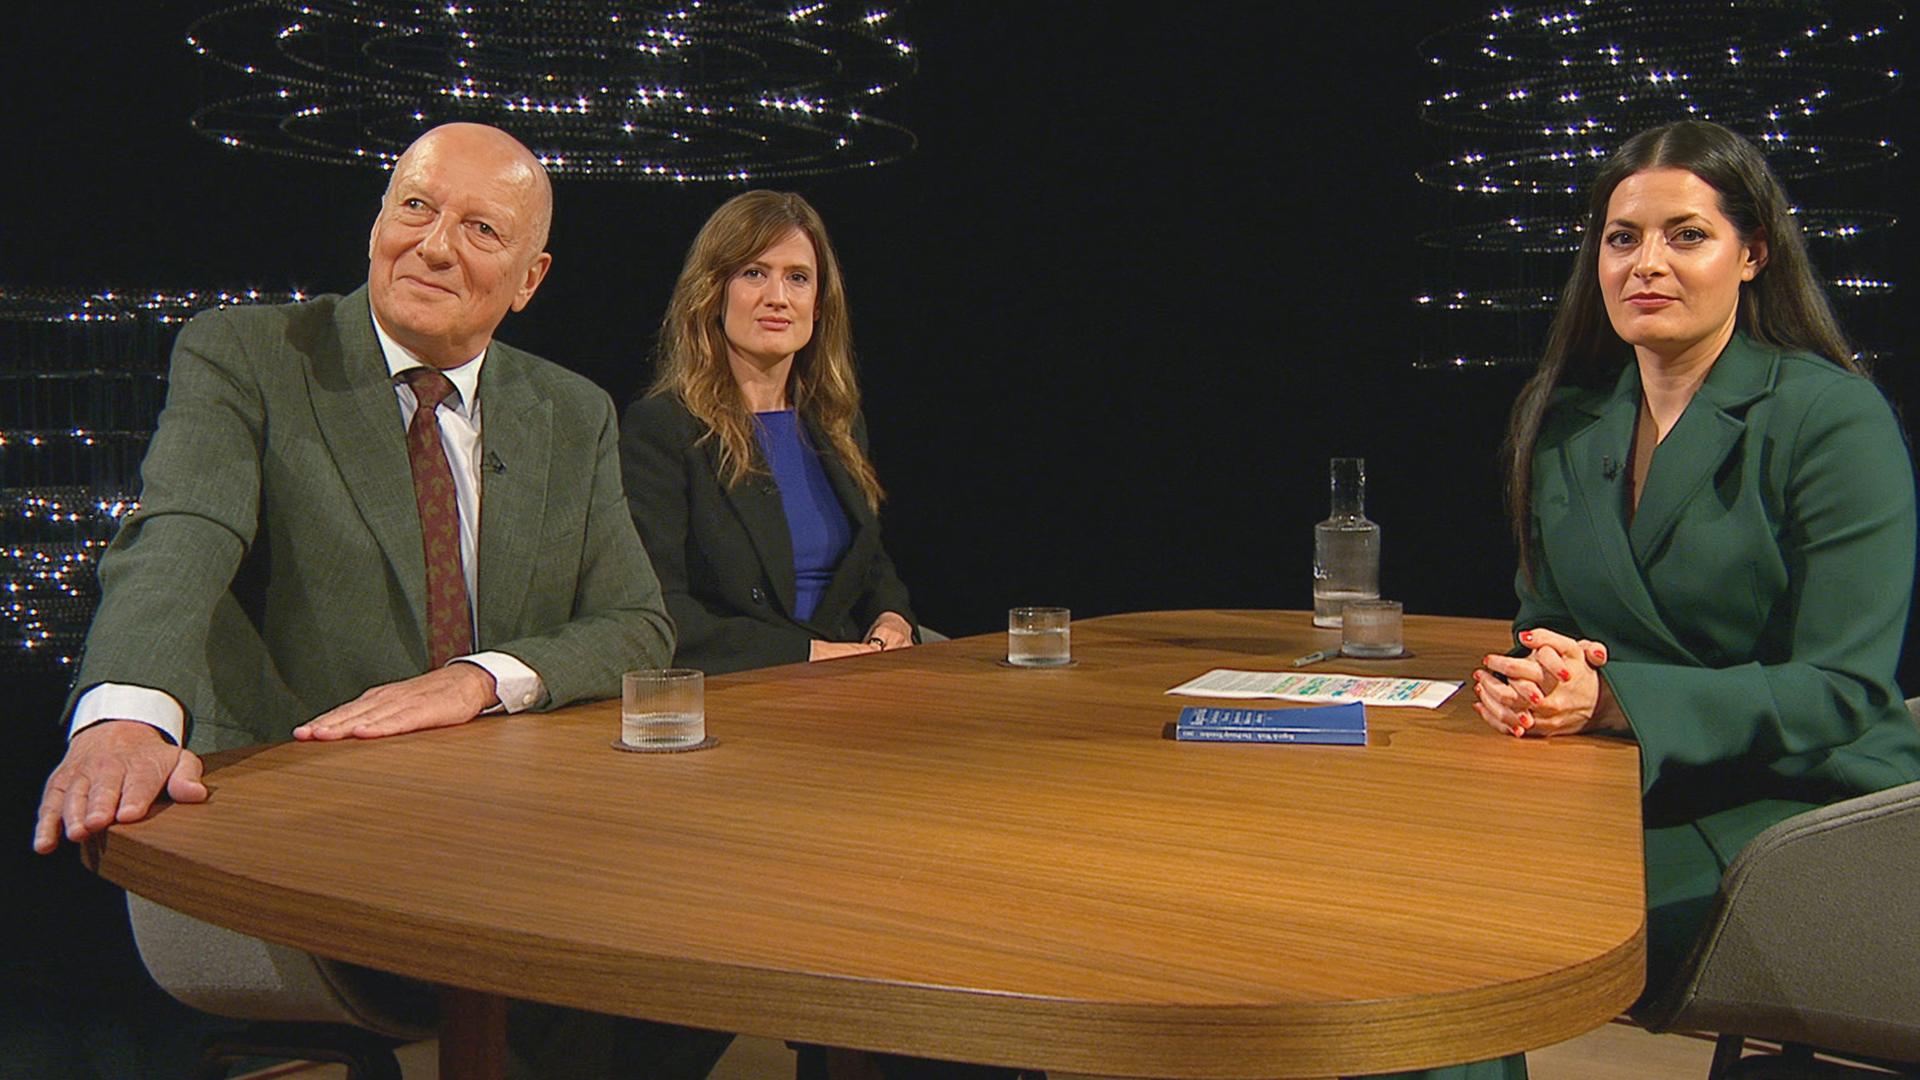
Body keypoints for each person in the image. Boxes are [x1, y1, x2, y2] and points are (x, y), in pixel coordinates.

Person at [33, 122, 729, 1078]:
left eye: (482, 230)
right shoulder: (253, 354)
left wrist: (480, 680)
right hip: (324, 838)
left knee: (705, 938)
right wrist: (123, 710)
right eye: (416, 205)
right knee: (602, 958)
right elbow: (180, 536)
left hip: (513, 828)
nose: (435, 244)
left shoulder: (573, 412)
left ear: (530, 279)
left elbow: (637, 624)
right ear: (376, 223)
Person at [1382, 120, 1920, 1080]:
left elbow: (1845, 687)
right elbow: (1548, 619)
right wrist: (1535, 677)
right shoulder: (1562, 415)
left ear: (1753, 254)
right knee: (1399, 893)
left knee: (1466, 932)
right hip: (1615, 782)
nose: (1647, 264)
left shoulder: (1831, 414)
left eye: (1687, 235)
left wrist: (1619, 698)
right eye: (1622, 238)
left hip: (1792, 810)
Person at [622, 189, 918, 676]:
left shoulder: (836, 420)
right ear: (713, 292)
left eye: (797, 278)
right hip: (744, 679)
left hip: (849, 670)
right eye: (754, 273)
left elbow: (869, 563)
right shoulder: (663, 428)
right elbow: (659, 609)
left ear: (819, 305)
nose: (777, 297)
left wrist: (893, 617)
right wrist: (807, 655)